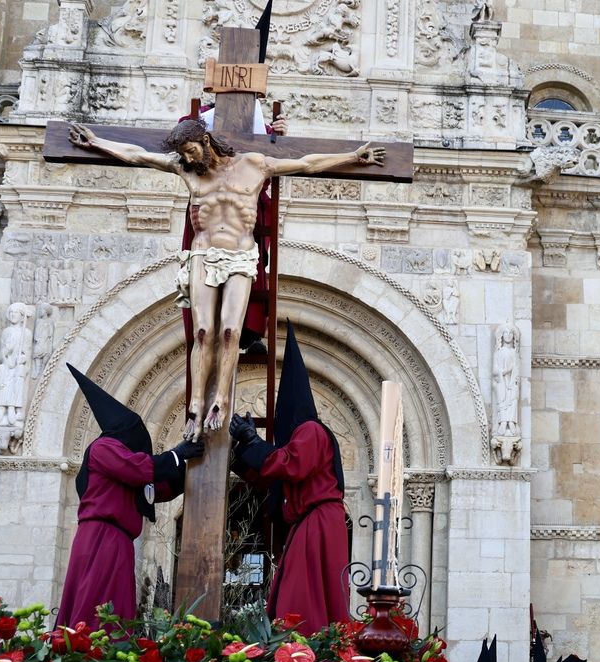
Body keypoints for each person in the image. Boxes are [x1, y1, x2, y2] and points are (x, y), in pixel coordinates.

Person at [68, 121, 384, 437]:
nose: (189, 159)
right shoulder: (185, 168)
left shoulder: (254, 164)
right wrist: (97, 143)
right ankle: (194, 405)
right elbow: (137, 155)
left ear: (205, 140)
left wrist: (354, 156)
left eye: (191, 151)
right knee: (203, 332)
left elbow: (307, 163)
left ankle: (220, 399)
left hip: (241, 255)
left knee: (231, 330)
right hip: (203, 253)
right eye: (184, 154)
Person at [229, 323, 349, 634]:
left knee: (303, 601)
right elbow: (272, 479)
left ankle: (304, 653)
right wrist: (240, 451)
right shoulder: (303, 436)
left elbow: (290, 464)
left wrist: (254, 442)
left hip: (318, 523)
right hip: (311, 524)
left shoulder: (310, 430)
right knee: (303, 595)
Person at [59, 365, 200, 627]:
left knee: (117, 612)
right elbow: (139, 469)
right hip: (101, 540)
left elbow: (157, 491)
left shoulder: (124, 474)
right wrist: (176, 455)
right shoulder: (104, 448)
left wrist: (188, 468)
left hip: (117, 543)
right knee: (95, 611)